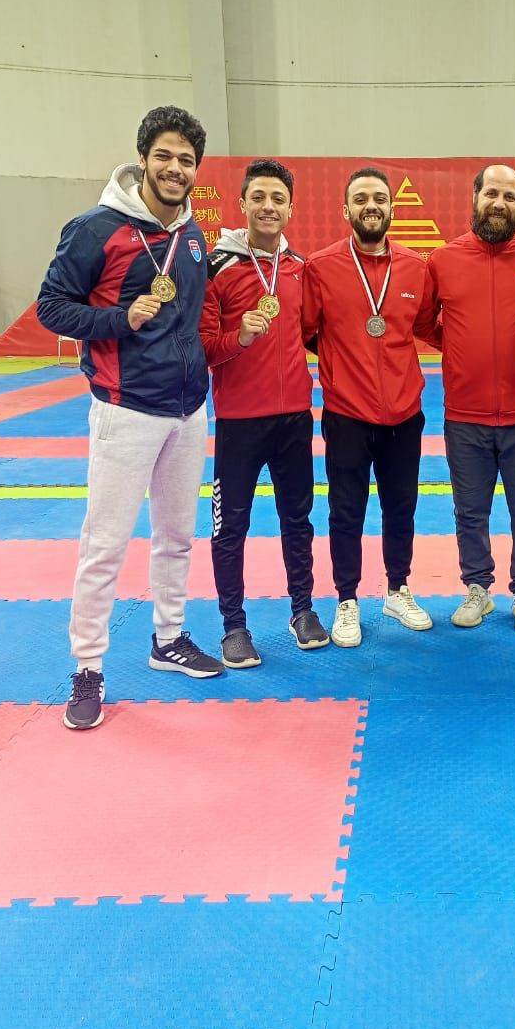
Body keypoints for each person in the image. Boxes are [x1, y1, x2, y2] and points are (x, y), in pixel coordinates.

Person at [37, 105, 223, 730]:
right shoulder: (95, 229)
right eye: (164, 156)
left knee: (176, 537)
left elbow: (190, 322)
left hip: (187, 410)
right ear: (142, 159)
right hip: (125, 410)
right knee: (105, 544)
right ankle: (88, 666)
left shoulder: (193, 237)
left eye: (186, 160)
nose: (175, 169)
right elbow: (51, 308)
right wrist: (119, 320)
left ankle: (168, 637)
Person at [199, 159, 328, 668]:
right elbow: (204, 347)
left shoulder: (299, 268)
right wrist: (240, 338)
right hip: (239, 421)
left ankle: (302, 611)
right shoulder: (218, 268)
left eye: (278, 199)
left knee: (298, 520)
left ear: (291, 208)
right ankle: (233, 626)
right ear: (242, 204)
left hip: (294, 418)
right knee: (230, 527)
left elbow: (311, 332)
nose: (268, 207)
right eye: (259, 197)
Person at [301, 167, 437, 648]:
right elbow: (307, 330)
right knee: (346, 511)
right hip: (347, 414)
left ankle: (398, 590)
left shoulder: (416, 267)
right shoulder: (320, 267)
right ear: (346, 210)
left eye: (379, 197)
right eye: (360, 199)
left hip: (405, 412)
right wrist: (345, 364)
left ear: (392, 207)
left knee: (402, 506)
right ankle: (347, 599)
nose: (371, 206)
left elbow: (424, 326)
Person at [419, 165, 515, 634]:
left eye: (509, 196)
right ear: (475, 197)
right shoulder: (443, 260)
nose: (499, 203)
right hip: (465, 414)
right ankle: (478, 588)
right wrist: (458, 346)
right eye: (491, 193)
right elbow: (423, 321)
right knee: (470, 510)